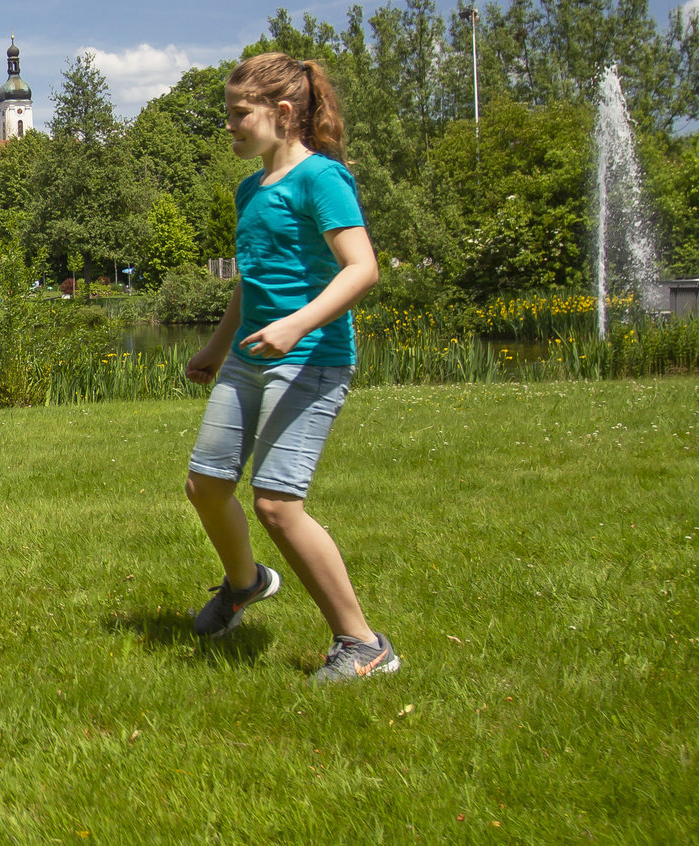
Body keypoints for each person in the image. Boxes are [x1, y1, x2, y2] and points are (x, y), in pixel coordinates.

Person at [180, 52, 398, 682]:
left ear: (281, 114)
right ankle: (245, 585)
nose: (229, 126)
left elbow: (362, 268)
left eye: (238, 113)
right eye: (227, 114)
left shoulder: (322, 179)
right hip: (250, 358)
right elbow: (251, 283)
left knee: (277, 505)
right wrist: (218, 346)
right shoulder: (250, 189)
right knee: (207, 485)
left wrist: (299, 324)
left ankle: (364, 644)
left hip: (311, 358)